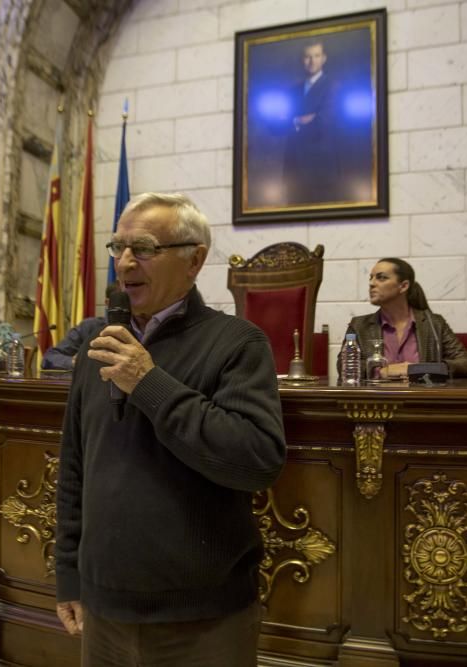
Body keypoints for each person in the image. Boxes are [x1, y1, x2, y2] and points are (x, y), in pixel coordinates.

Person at [54, 192, 286, 666]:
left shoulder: (237, 343)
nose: (124, 262)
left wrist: (149, 383)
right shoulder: (97, 347)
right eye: (117, 247)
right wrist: (70, 576)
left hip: (203, 618)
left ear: (194, 260)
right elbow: (75, 468)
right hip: (104, 612)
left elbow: (256, 460)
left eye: (142, 248)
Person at [339, 258, 467, 380]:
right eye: (371, 278)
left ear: (404, 286)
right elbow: (343, 365)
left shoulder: (433, 323)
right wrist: (382, 370)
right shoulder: (359, 325)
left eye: (381, 278)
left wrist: (418, 369)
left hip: (422, 402)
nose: (371, 283)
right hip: (375, 403)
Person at [282, 40, 343, 205]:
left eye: (316, 56)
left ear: (324, 58)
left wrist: (295, 121)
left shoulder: (333, 86)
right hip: (294, 169)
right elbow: (279, 124)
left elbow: (324, 123)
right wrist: (301, 119)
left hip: (321, 170)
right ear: (302, 60)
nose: (312, 61)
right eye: (308, 56)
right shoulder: (293, 90)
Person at [41, 283, 121, 371]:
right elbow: (50, 357)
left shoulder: (137, 329)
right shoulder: (89, 327)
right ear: (107, 303)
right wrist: (74, 362)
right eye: (121, 301)